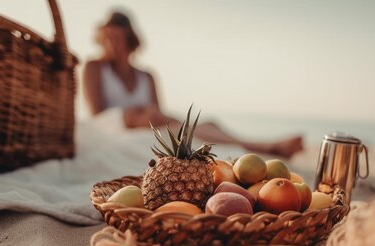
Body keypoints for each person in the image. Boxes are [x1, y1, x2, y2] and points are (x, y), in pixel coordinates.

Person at [83, 11, 303, 158]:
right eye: (107, 37)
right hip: (112, 126)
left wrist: (148, 116)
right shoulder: (94, 67)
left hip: (151, 122)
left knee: (210, 124)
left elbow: (158, 114)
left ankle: (255, 143)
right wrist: (135, 115)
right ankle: (264, 146)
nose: (112, 44)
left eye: (118, 38)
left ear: (130, 40)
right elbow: (97, 115)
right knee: (171, 125)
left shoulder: (146, 76)